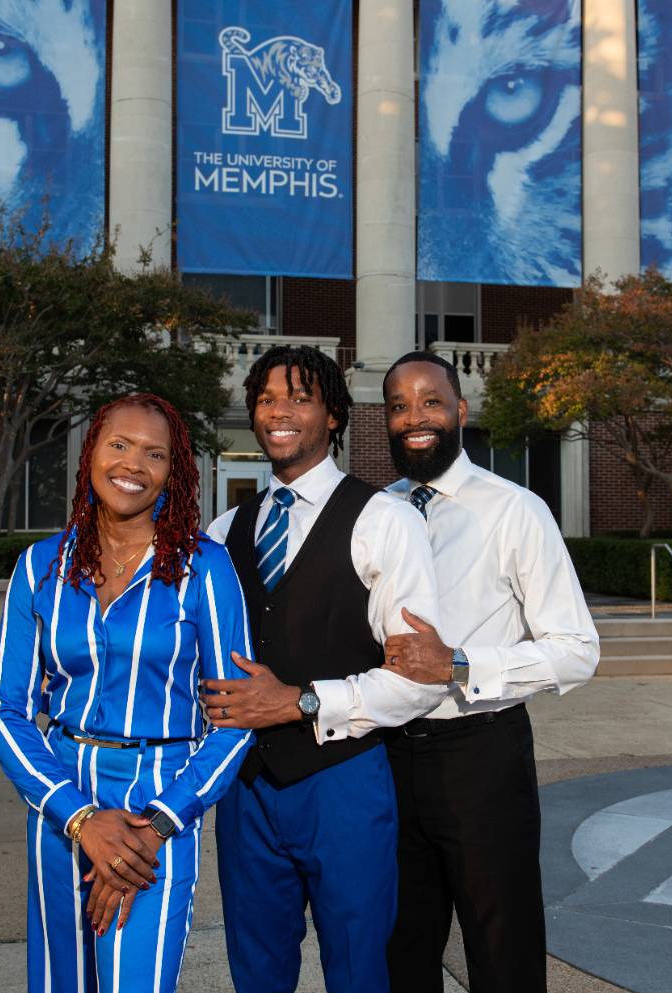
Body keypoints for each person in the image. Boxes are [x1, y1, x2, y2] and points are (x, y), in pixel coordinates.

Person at [315, 352, 600, 993]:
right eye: (398, 406)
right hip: (382, 758)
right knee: (399, 949)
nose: (415, 418)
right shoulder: (368, 512)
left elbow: (578, 648)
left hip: (482, 756)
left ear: (460, 412)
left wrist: (461, 663)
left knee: (502, 951)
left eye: (431, 402)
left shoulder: (515, 510)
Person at [0, 394, 254, 993]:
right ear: (92, 453)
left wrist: (152, 827)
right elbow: (7, 711)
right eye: (120, 445)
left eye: (154, 453)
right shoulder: (39, 567)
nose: (133, 464)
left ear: (173, 471)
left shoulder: (203, 567)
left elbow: (235, 716)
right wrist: (80, 818)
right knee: (61, 982)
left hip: (160, 802)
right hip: (61, 797)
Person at [202, 345, 447, 993]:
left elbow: (422, 680)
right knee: (256, 974)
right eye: (266, 398)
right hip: (245, 787)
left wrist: (300, 701)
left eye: (299, 396)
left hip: (345, 782)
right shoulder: (223, 531)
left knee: (360, 972)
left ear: (334, 415)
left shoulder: (384, 521)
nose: (278, 411)